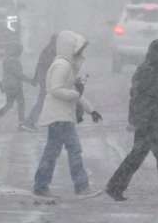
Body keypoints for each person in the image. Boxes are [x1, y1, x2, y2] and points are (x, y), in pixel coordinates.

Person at [105, 39, 158, 202]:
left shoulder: (151, 71)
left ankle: (115, 187)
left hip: (149, 121)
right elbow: (143, 99)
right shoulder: (150, 73)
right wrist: (147, 122)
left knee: (138, 155)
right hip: (151, 123)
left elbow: (150, 97)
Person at [32, 30, 103, 198]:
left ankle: (41, 185)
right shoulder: (62, 66)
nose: (79, 54)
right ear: (68, 48)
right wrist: (76, 93)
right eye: (77, 50)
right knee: (74, 150)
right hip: (60, 117)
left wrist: (90, 109)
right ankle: (81, 186)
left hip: (60, 116)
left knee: (52, 152)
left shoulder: (65, 66)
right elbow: (55, 90)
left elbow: (74, 92)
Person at [0, 41, 34, 130]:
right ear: (18, 51)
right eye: (20, 51)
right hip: (15, 85)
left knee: (9, 104)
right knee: (21, 103)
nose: (21, 53)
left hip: (8, 85)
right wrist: (30, 81)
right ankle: (21, 123)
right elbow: (18, 74)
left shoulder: (7, 59)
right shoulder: (14, 61)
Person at [24, 33, 57, 130]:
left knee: (46, 102)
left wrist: (35, 79)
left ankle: (32, 121)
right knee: (43, 102)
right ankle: (29, 122)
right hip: (47, 81)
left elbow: (39, 65)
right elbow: (48, 66)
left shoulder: (48, 50)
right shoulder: (50, 51)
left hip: (46, 80)